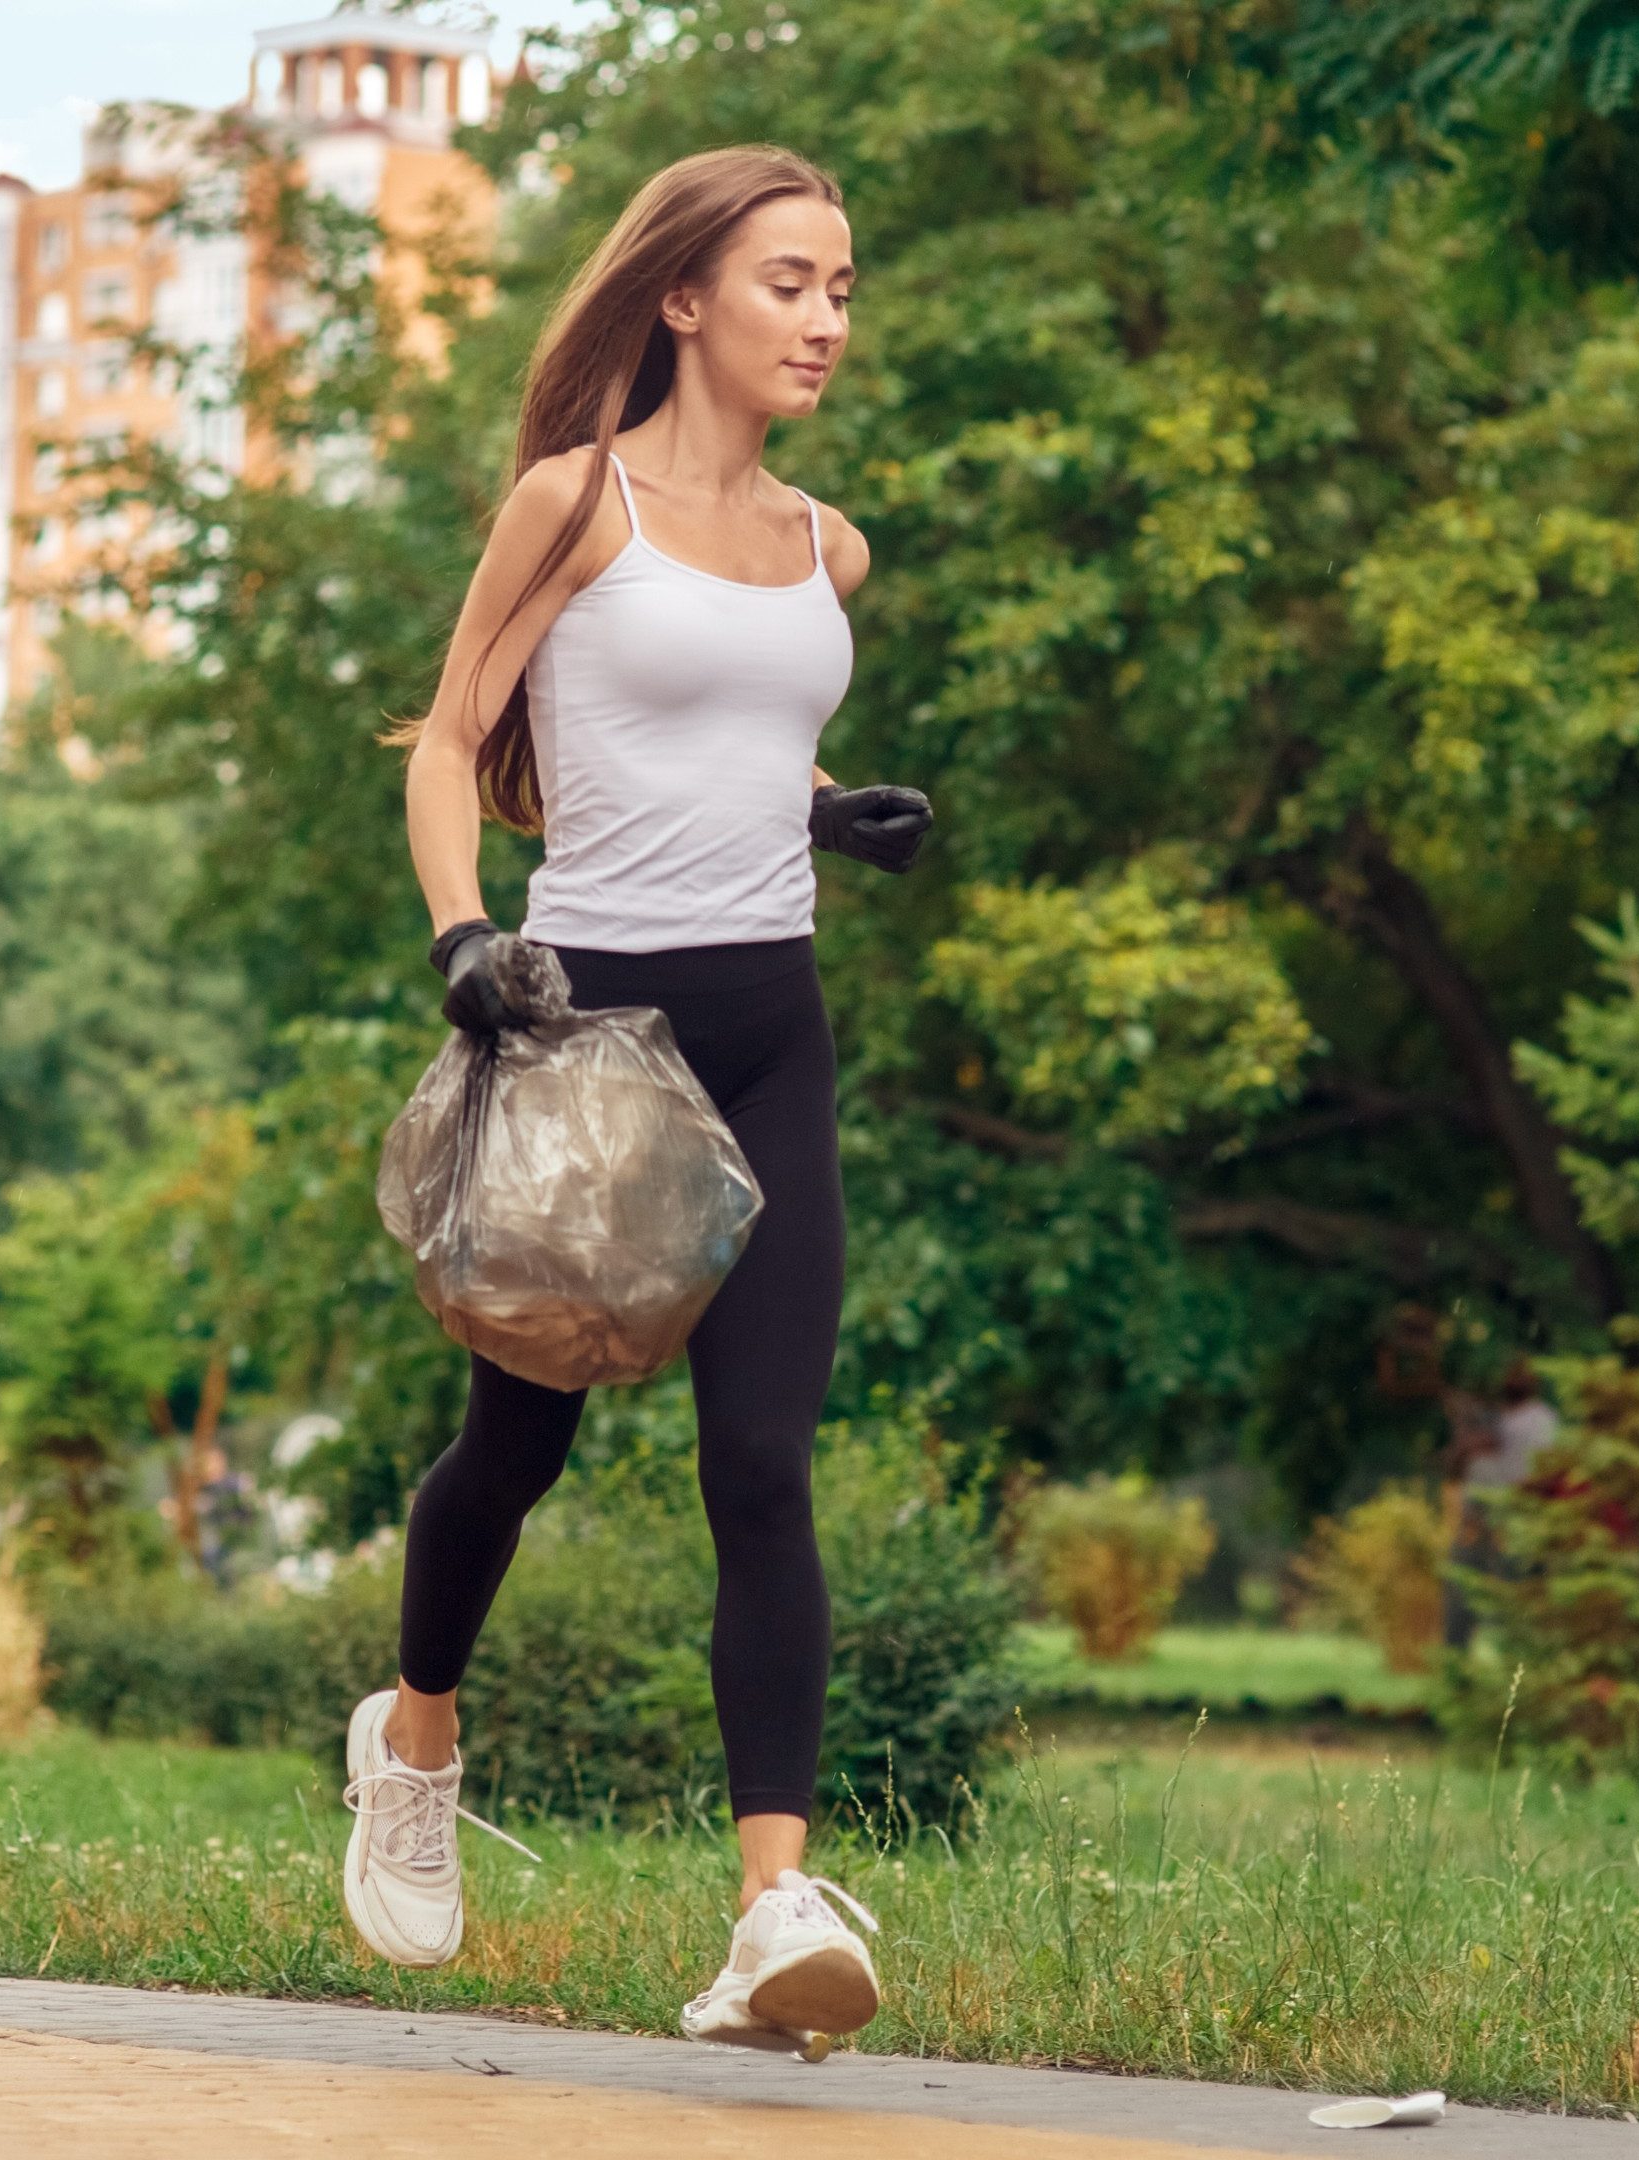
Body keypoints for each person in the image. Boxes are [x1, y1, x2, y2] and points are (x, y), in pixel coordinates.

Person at [341, 144, 927, 2062]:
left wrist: (830, 807)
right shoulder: (572, 507)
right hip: (591, 1048)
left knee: (760, 1465)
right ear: (685, 300)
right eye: (789, 282)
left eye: (842, 285)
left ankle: (770, 1912)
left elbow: (729, 739)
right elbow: (454, 737)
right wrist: (459, 938)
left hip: (773, 1043)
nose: (827, 318)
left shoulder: (829, 547)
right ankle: (414, 1736)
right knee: (513, 1455)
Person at [1440, 1363, 1556, 1651]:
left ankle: (1517, 1670)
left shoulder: (1540, 1420)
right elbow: (1457, 1463)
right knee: (1461, 1594)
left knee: (1515, 1602)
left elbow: (1542, 1475)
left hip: (1514, 1522)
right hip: (1477, 1520)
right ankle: (1458, 1668)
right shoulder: (1494, 1419)